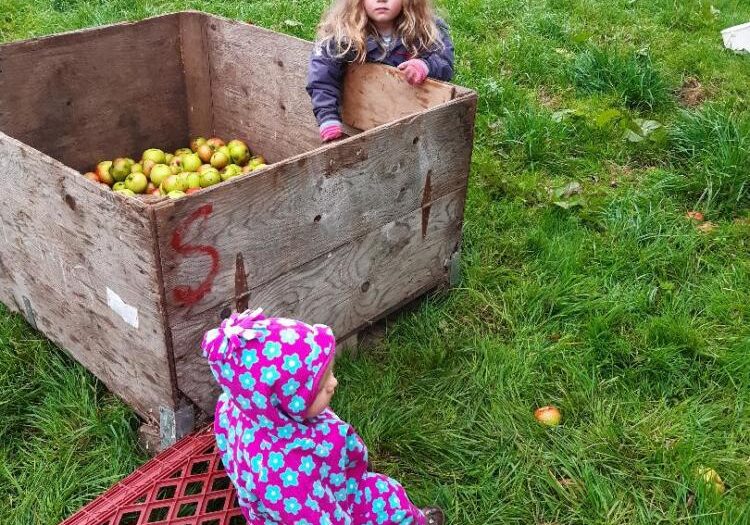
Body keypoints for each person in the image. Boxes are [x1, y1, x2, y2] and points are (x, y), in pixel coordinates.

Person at [202, 308, 445, 524]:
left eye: (329, 373)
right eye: (319, 388)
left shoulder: (239, 406)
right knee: (387, 498)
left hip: (307, 495)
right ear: (283, 403)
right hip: (323, 507)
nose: (333, 383)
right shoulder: (290, 476)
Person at [307, 0, 455, 142]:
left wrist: (425, 65)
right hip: (362, 120)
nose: (381, 0)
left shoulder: (424, 31)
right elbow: (323, 73)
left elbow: (444, 61)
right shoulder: (344, 34)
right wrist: (327, 116)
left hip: (413, 124)